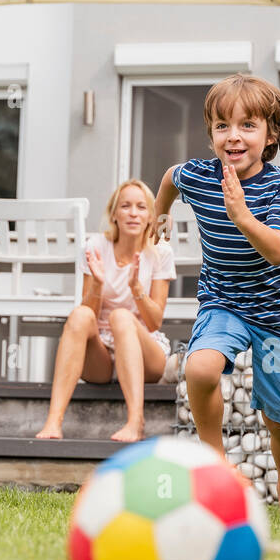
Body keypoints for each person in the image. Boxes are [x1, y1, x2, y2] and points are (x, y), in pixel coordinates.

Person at [154, 73, 280, 517]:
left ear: (271, 135)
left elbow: (278, 250)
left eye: (247, 126)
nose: (233, 136)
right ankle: (216, 466)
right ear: (211, 134)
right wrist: (160, 215)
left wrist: (242, 215)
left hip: (279, 318)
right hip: (223, 302)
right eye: (222, 126)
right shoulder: (199, 176)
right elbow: (169, 178)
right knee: (199, 369)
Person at [35, 180, 175, 442]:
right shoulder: (95, 247)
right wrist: (98, 285)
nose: (133, 213)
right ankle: (53, 421)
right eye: (125, 206)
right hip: (100, 358)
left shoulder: (160, 252)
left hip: (145, 353)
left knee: (121, 316)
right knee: (79, 314)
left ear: (150, 217)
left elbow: (155, 322)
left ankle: (136, 422)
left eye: (141, 207)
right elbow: (86, 317)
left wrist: (136, 289)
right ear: (114, 214)